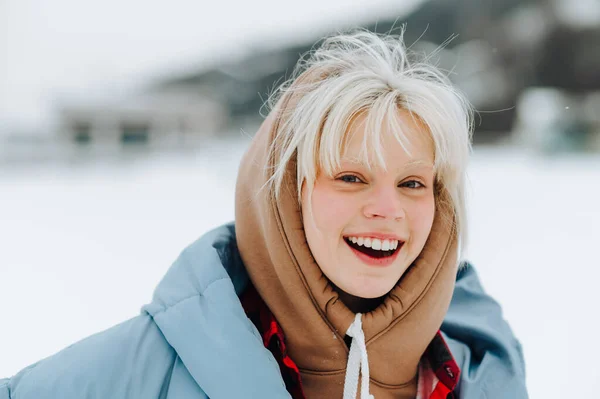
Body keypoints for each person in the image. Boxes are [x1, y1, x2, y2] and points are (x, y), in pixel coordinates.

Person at [0, 29, 527, 398]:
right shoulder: (140, 369)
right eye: (350, 177)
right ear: (286, 196)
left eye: (412, 183)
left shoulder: (483, 371)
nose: (388, 209)